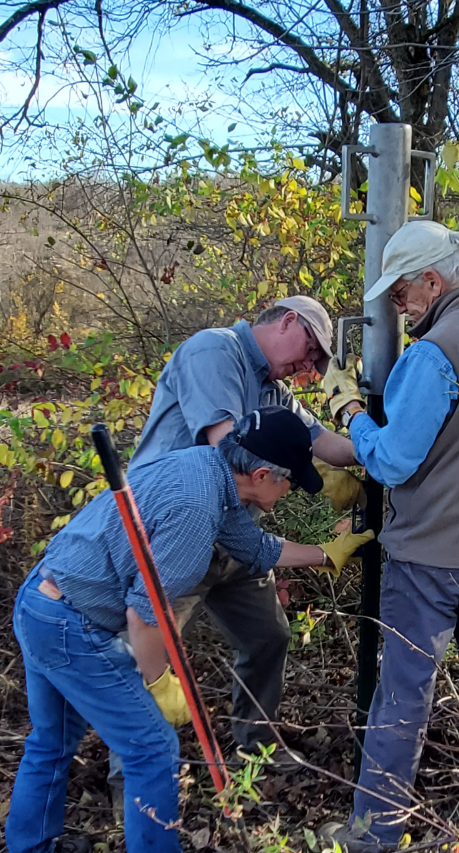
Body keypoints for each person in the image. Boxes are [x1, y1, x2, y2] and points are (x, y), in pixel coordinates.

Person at [4, 408, 372, 853]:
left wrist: (328, 552)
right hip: (72, 624)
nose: (288, 495)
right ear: (263, 475)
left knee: (51, 740)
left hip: (43, 602)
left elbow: (256, 547)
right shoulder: (196, 510)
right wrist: (158, 682)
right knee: (152, 746)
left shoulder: (209, 470)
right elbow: (145, 613)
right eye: (290, 485)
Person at [320, 221, 459, 853]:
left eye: (401, 294)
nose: (397, 308)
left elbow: (391, 461)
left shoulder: (435, 351)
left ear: (433, 282)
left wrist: (351, 414)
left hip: (429, 557)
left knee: (403, 693)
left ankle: (374, 838)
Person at [121, 297, 361, 767]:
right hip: (175, 533)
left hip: (232, 535)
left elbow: (324, 442)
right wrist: (303, 468)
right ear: (288, 321)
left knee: (268, 636)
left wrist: (376, 450)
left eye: (316, 362)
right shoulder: (215, 351)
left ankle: (256, 750)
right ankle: (133, 778)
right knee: (149, 646)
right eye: (310, 350)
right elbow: (230, 446)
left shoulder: (274, 391)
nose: (307, 366)